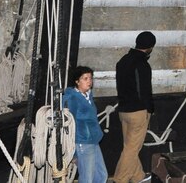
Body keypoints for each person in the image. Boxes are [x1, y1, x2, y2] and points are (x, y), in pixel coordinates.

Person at [114, 30, 156, 183]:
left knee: (129, 147)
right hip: (138, 111)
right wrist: (150, 109)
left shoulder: (123, 61)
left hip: (123, 110)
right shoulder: (142, 64)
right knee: (132, 149)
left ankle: (138, 176)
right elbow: (144, 91)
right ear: (150, 47)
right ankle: (120, 179)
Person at [63, 65, 108, 183]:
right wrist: (72, 151)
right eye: (85, 78)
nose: (90, 81)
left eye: (91, 78)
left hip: (93, 140)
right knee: (87, 178)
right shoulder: (72, 98)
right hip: (82, 141)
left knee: (101, 175)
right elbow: (68, 123)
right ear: (77, 81)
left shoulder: (88, 95)